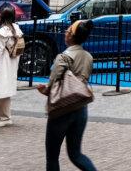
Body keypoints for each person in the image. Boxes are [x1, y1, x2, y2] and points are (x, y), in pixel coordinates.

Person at [37, 20, 97, 171]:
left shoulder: (63, 57)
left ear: (71, 36)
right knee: (76, 154)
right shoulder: (88, 57)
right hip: (81, 108)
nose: (65, 32)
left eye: (68, 30)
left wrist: (44, 90)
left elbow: (53, 83)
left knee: (52, 156)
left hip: (61, 110)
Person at [0, 6, 23, 128]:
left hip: (3, 63)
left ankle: (5, 117)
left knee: (1, 90)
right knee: (1, 90)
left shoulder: (3, 32)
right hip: (11, 62)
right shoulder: (16, 29)